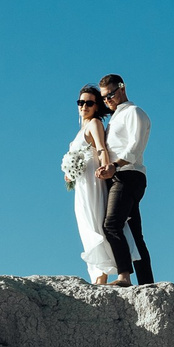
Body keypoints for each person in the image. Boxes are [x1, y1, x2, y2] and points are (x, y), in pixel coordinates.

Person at [96, 73, 152, 287]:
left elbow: (135, 147)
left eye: (110, 94)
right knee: (135, 233)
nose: (108, 100)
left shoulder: (134, 113)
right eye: (104, 97)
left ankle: (123, 276)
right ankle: (147, 283)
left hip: (128, 175)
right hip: (120, 175)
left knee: (111, 225)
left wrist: (115, 165)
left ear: (122, 88)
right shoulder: (115, 117)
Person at [67, 86, 115, 284]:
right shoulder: (81, 129)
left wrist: (106, 168)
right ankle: (96, 276)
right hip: (81, 186)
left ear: (97, 106)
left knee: (94, 224)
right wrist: (70, 173)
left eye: (89, 103)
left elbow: (101, 148)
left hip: (93, 183)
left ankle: (101, 276)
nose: (84, 106)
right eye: (81, 102)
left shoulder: (94, 123)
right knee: (85, 226)